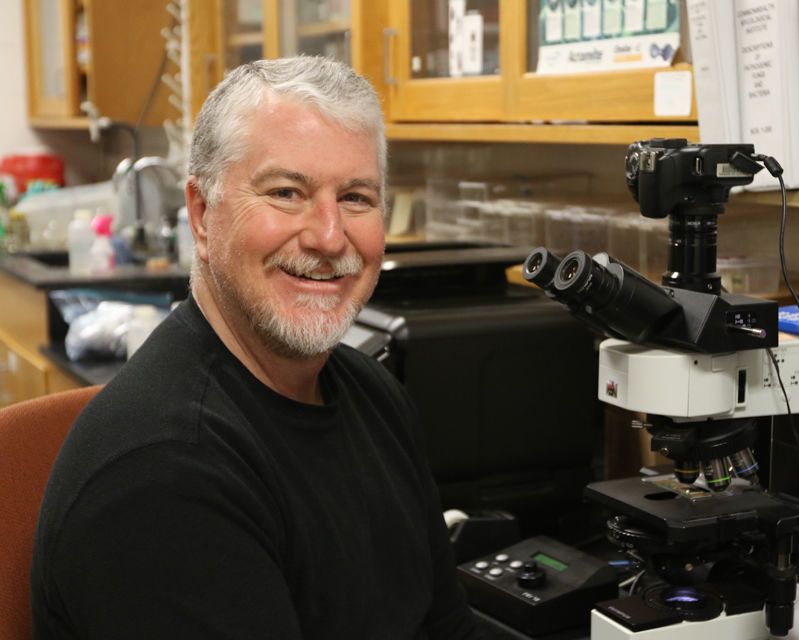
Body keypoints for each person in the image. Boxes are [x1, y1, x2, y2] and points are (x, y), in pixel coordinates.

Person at [32, 56, 483, 639]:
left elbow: (447, 629)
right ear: (202, 214)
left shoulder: (376, 396)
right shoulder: (162, 472)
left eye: (356, 198)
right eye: (287, 192)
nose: (329, 237)